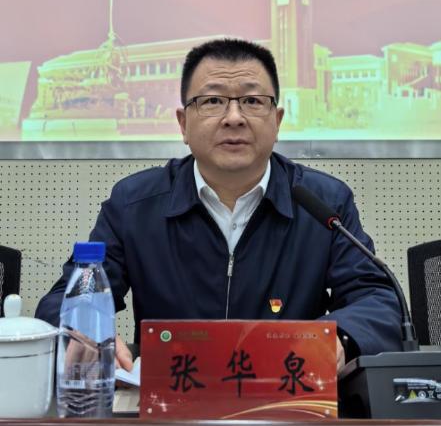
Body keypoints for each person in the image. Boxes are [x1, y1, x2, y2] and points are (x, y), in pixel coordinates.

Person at [35, 38, 402, 374]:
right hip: (173, 401)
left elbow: (378, 299)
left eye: (252, 101)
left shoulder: (323, 203)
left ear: (277, 121)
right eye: (212, 101)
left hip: (288, 400)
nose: (234, 117)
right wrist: (85, 330)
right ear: (183, 123)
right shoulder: (134, 205)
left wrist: (341, 339)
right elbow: (67, 295)